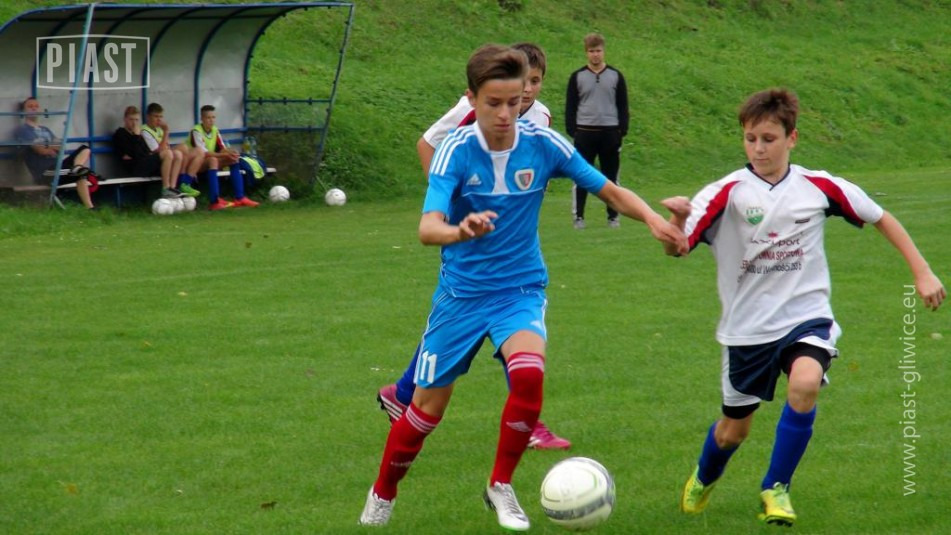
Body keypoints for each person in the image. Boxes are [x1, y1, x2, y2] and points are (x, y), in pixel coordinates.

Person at [359, 44, 687, 530]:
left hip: (520, 289)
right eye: (493, 103)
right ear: (472, 99)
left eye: (514, 102)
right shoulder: (455, 149)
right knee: (425, 412)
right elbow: (427, 228)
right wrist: (459, 230)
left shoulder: (543, 143)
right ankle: (382, 496)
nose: (505, 113)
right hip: (462, 297)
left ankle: (501, 485)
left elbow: (608, 189)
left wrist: (656, 222)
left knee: (529, 375)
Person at [663, 88, 945, 527]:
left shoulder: (818, 187)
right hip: (747, 329)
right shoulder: (726, 193)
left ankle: (776, 487)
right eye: (751, 139)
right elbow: (678, 247)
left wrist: (922, 271)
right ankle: (704, 476)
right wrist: (678, 219)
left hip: (805, 317)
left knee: (806, 382)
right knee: (733, 431)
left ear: (792, 138)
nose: (759, 149)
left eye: (769, 139)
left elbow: (880, 216)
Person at [378, 42, 571, 451]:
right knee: (476, 313)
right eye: (525, 81)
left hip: (507, 239)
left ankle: (403, 391)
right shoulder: (474, 109)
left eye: (536, 82)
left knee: (500, 321)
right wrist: (449, 201)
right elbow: (427, 143)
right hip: (467, 235)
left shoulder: (540, 117)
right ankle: (527, 423)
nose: (529, 90)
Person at [565, 32, 629, 229]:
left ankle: (613, 217)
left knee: (611, 178)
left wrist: (622, 130)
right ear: (586, 53)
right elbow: (571, 106)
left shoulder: (615, 76)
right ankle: (579, 217)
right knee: (581, 175)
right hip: (585, 132)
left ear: (604, 51)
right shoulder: (577, 77)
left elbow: (622, 105)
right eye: (591, 51)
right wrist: (573, 130)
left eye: (598, 51)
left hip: (610, 133)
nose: (595, 55)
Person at [15, 97, 97, 210]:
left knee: (85, 149)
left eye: (36, 106)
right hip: (45, 172)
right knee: (80, 173)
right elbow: (40, 150)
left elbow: (61, 146)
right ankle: (90, 208)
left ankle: (77, 167)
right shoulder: (23, 130)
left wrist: (47, 146)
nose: (34, 109)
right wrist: (50, 147)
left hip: (57, 166)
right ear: (23, 111)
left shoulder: (45, 129)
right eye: (30, 106)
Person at [183, 105, 259, 210]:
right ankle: (214, 201)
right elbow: (204, 153)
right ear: (202, 118)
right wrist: (224, 154)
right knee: (213, 160)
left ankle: (240, 198)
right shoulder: (196, 131)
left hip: (207, 161)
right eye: (208, 118)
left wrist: (231, 152)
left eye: (213, 117)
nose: (211, 120)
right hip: (193, 164)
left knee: (233, 159)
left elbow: (222, 148)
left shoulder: (215, 130)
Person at [112, 105, 189, 199]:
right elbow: (133, 154)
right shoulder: (120, 133)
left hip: (144, 163)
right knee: (167, 153)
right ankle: (166, 188)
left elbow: (144, 152)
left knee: (177, 154)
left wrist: (142, 150)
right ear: (125, 119)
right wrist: (136, 136)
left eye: (136, 120)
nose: (134, 123)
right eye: (131, 119)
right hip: (134, 167)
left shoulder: (137, 133)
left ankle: (173, 187)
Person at [140, 103, 198, 198]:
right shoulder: (144, 131)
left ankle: (173, 186)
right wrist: (166, 131)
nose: (159, 120)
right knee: (175, 152)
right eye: (156, 116)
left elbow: (166, 147)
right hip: (152, 161)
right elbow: (159, 150)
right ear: (148, 117)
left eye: (160, 117)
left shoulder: (159, 129)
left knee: (180, 151)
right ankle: (167, 187)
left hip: (165, 157)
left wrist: (164, 133)